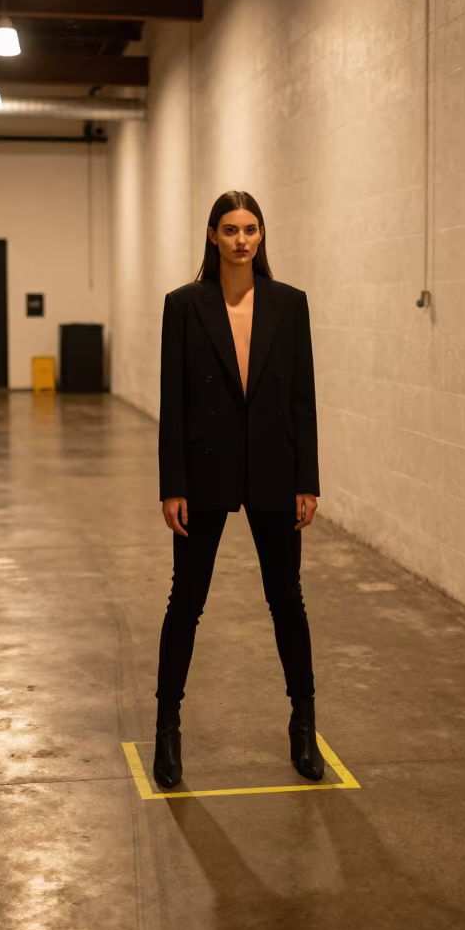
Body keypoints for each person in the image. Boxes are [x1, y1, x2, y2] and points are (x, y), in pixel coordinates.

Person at [154, 189, 324, 790]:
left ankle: (303, 723)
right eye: (230, 229)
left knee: (287, 600)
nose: (242, 240)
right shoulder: (183, 306)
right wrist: (171, 486)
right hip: (203, 470)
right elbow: (171, 402)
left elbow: (302, 399)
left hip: (275, 472)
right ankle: (167, 726)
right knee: (187, 602)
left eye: (251, 229)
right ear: (212, 236)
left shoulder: (290, 304)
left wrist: (308, 480)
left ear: (261, 235)